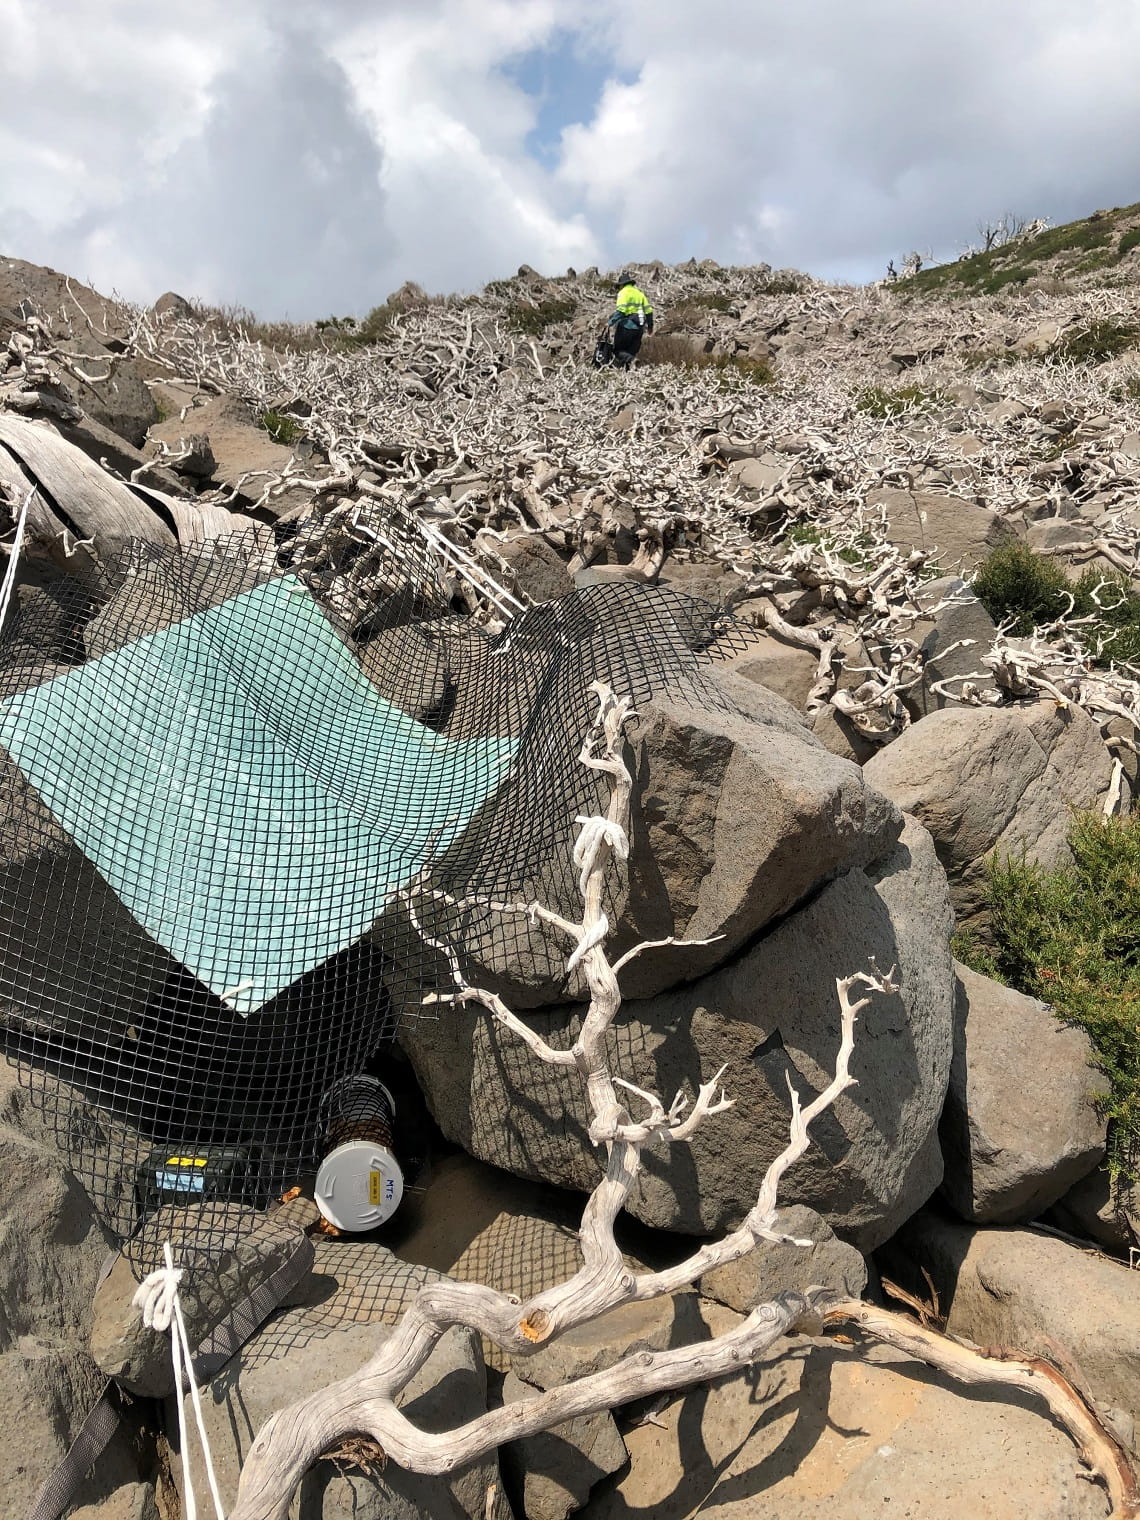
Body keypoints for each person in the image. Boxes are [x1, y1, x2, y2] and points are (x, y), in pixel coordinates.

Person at [607, 274, 654, 367]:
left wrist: (610, 323)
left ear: (622, 285)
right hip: (639, 329)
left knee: (618, 351)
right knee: (630, 352)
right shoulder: (640, 293)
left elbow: (621, 311)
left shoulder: (623, 293)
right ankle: (631, 367)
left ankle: (633, 360)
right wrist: (650, 326)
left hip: (626, 327)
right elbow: (648, 311)